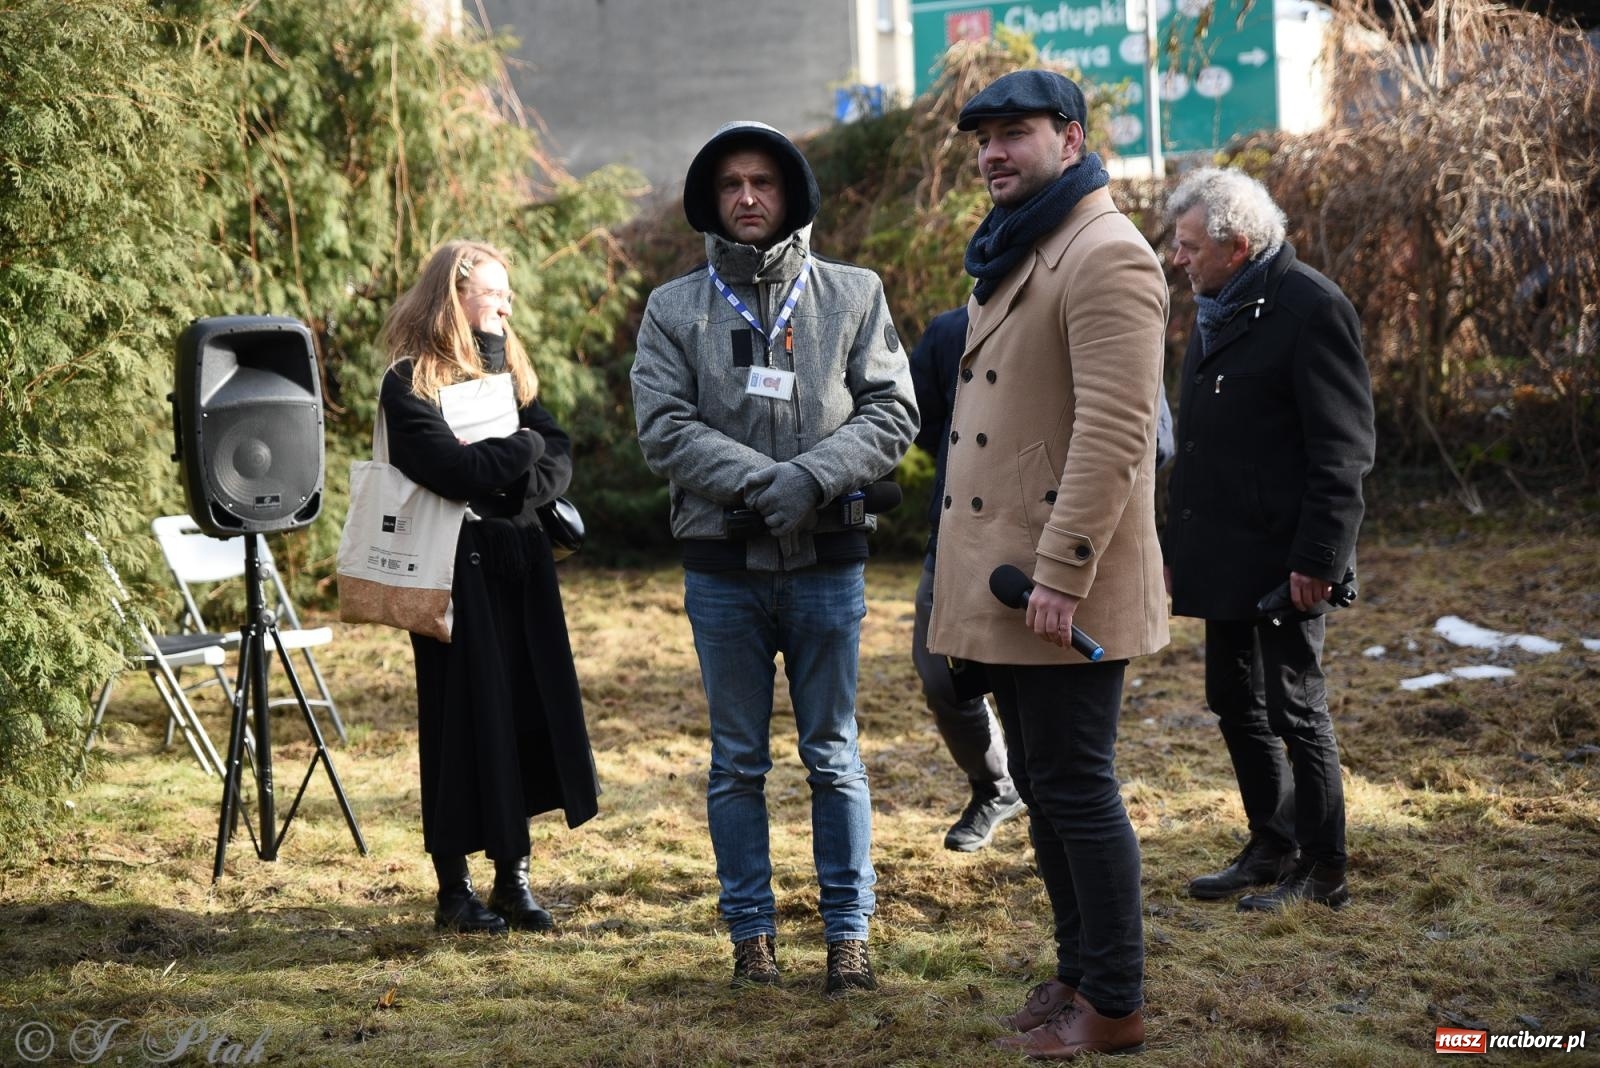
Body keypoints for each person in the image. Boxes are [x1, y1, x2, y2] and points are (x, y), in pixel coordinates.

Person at [631, 120, 917, 994]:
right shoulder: (673, 310)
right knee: (736, 763)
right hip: (723, 573)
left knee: (834, 755)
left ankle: (848, 938)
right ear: (710, 202)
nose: (748, 197)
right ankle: (751, 939)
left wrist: (817, 479)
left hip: (829, 568)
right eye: (731, 186)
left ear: (790, 194)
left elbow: (893, 411)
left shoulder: (854, 294)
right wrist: (770, 484)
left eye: (763, 182)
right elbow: (664, 427)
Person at [926, 70, 1169, 1060]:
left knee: (1076, 786)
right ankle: (1076, 973)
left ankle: (1113, 1004)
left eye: (1013, 133)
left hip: (1061, 583)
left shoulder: (1105, 253)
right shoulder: (1031, 247)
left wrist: (1064, 575)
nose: (992, 151)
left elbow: (1116, 435)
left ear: (1070, 140)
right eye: (981, 136)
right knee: (1040, 778)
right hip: (1012, 580)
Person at [1162, 168, 1375, 912]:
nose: (1176, 259)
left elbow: (1343, 451)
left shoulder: (1310, 307)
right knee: (1232, 697)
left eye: (1189, 246)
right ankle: (1271, 843)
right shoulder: (1219, 305)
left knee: (1295, 706)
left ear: (1238, 245)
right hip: (1225, 553)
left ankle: (1324, 868)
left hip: (1289, 560)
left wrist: (1318, 560)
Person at [379, 239, 600, 935]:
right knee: (459, 723)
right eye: (493, 293)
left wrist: (515, 463)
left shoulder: (515, 369)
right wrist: (520, 452)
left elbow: (554, 452)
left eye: (507, 294)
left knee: (524, 716)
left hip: (522, 568)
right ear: (454, 296)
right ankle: (454, 892)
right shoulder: (408, 381)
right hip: (451, 575)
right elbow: (454, 471)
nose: (505, 305)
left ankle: (514, 879)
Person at [909, 306, 1176, 853]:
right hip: (958, 541)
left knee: (1060, 750)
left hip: (1053, 551)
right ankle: (994, 786)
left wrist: (1042, 476)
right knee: (942, 677)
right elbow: (926, 426)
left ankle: (1061, 828)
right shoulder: (946, 334)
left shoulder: (1087, 314)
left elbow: (1152, 438)